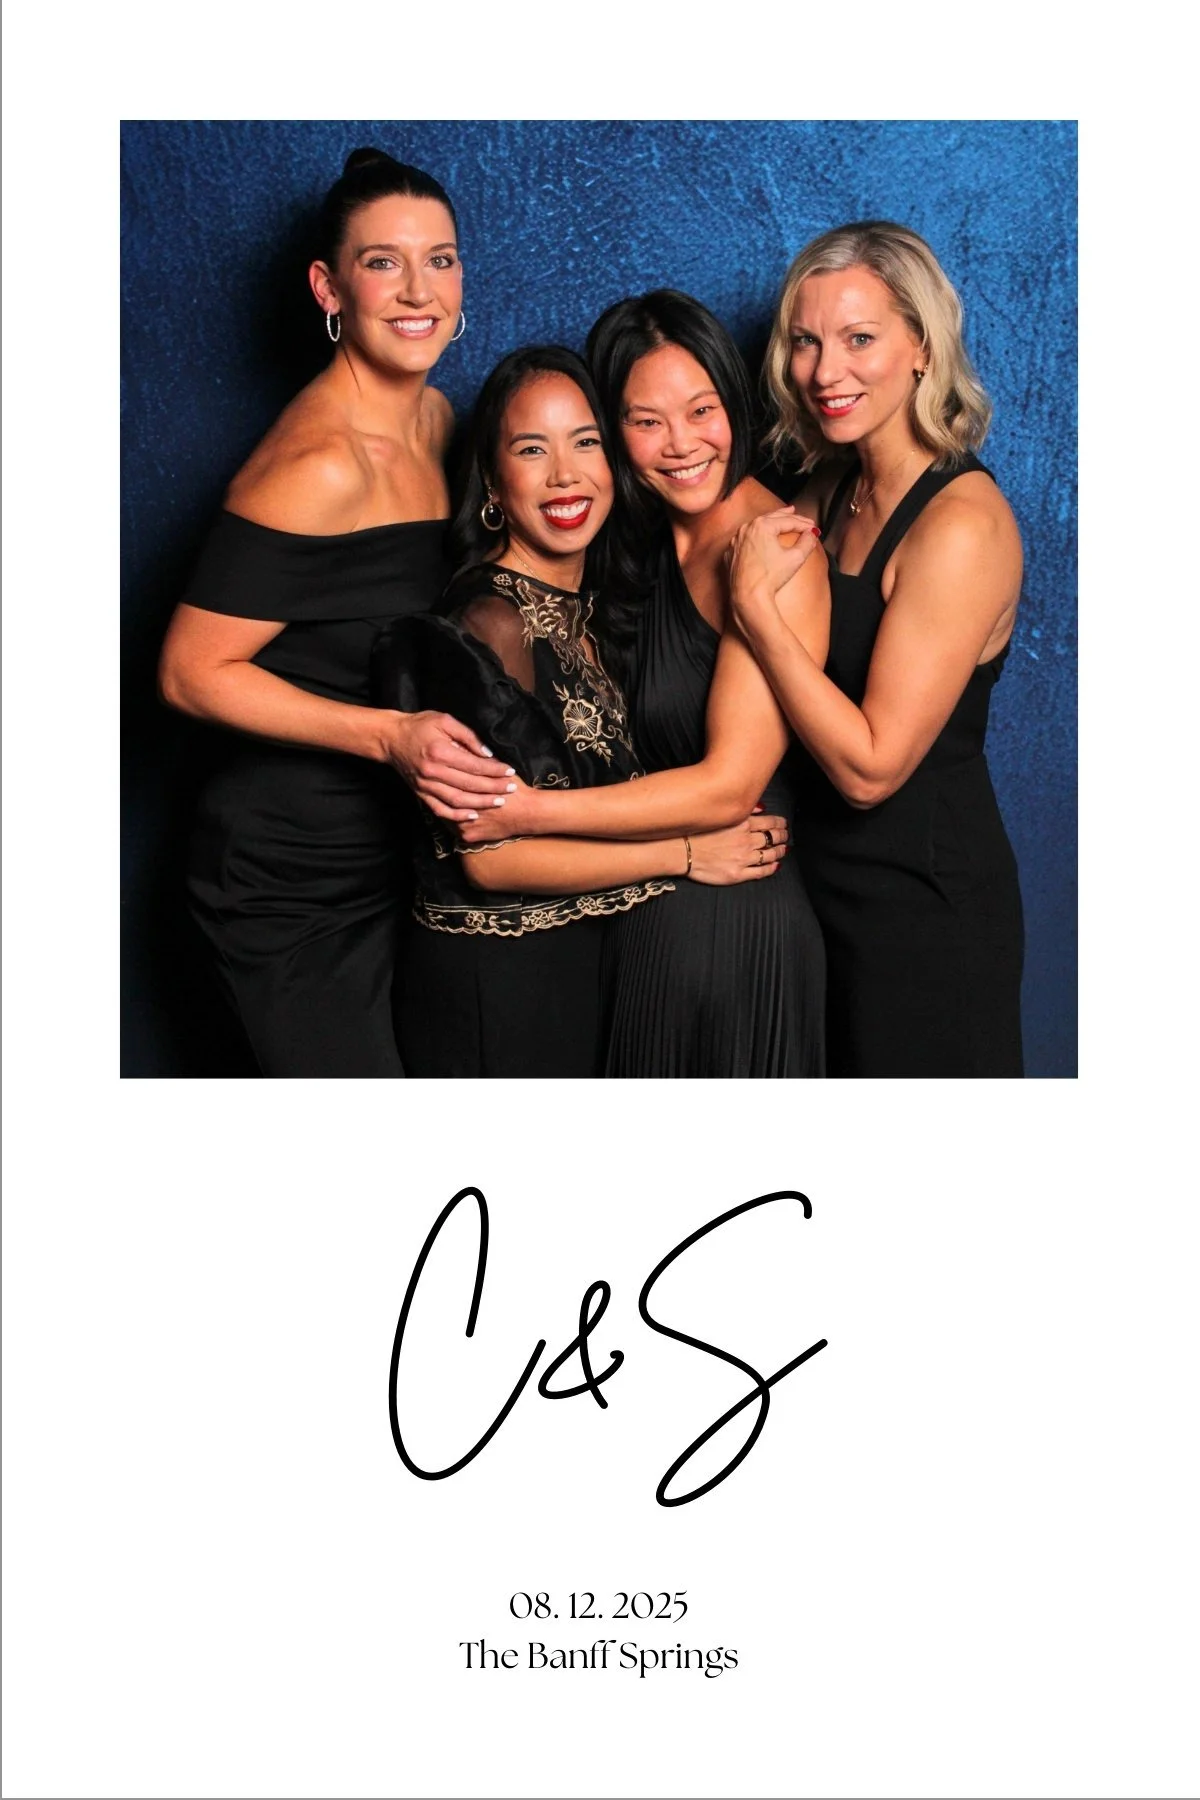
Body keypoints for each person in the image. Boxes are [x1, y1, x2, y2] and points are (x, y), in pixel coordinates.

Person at [157, 148, 511, 1077]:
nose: (417, 289)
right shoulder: (317, 466)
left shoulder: (437, 421)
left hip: (404, 857)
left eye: (439, 258)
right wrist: (390, 739)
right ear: (329, 287)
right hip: (285, 878)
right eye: (382, 262)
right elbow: (189, 672)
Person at [373, 346, 790, 1077]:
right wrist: (686, 857)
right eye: (532, 449)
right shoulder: (487, 621)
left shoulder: (595, 610)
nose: (565, 475)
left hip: (583, 972)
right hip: (493, 983)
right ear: (494, 480)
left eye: (586, 442)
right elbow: (492, 859)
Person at [458, 292, 829, 1078]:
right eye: (645, 421)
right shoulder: (635, 540)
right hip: (642, 913)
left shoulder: (778, 552)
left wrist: (528, 814)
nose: (682, 444)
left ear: (734, 400)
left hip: (731, 928)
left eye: (702, 410)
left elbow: (731, 786)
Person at [726, 220, 1024, 1077]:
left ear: (922, 348)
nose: (826, 372)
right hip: (824, 898)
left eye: (861, 339)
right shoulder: (833, 485)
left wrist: (757, 612)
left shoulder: (961, 524)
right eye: (806, 342)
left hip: (924, 913)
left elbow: (869, 768)